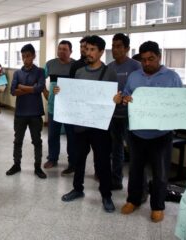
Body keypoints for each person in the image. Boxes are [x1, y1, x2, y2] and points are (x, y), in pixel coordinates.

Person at [117, 41, 182, 223]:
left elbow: (180, 102)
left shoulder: (172, 77)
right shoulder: (134, 76)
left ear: (159, 57)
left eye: (151, 59)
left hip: (161, 134)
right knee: (135, 170)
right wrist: (124, 98)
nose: (146, 63)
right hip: (136, 132)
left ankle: (158, 206)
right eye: (143, 60)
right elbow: (126, 94)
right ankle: (133, 200)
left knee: (160, 173)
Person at [57, 35, 117, 213]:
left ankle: (106, 195)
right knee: (79, 158)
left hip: (100, 127)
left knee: (102, 162)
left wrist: (116, 99)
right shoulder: (79, 71)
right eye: (87, 49)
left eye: (92, 50)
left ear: (100, 52)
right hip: (80, 124)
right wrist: (61, 91)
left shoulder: (109, 73)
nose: (88, 53)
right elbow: (73, 96)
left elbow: (113, 98)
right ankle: (77, 189)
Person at [5, 43, 47, 179]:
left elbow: (40, 88)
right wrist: (30, 88)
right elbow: (13, 91)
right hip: (20, 114)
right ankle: (16, 164)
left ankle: (37, 167)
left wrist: (22, 87)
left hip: (35, 114)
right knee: (18, 141)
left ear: (33, 56)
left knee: (37, 141)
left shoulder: (40, 71)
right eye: (23, 56)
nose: (25, 59)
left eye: (28, 56)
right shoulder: (18, 73)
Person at [107, 33, 141, 190]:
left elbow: (142, 90)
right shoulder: (109, 67)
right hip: (113, 115)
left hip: (131, 116)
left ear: (127, 48)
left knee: (135, 152)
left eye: (119, 46)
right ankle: (116, 180)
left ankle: (137, 187)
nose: (115, 49)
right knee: (116, 150)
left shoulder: (136, 66)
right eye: (113, 46)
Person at [42, 40, 76, 175]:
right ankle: (52, 158)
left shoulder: (75, 65)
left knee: (71, 136)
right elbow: (40, 78)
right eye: (60, 49)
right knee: (52, 134)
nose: (62, 51)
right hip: (53, 106)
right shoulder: (50, 64)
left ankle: (72, 162)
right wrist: (44, 91)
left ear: (70, 51)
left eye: (65, 49)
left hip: (69, 107)